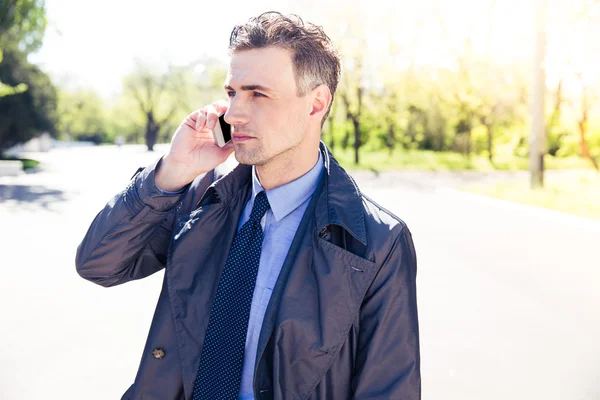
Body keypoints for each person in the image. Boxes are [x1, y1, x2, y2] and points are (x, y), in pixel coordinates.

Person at [76, 11, 420, 400]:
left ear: (315, 104)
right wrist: (171, 173)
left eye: (258, 93)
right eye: (232, 93)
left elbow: (389, 389)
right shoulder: (197, 197)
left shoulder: (377, 242)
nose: (235, 113)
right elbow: (98, 264)